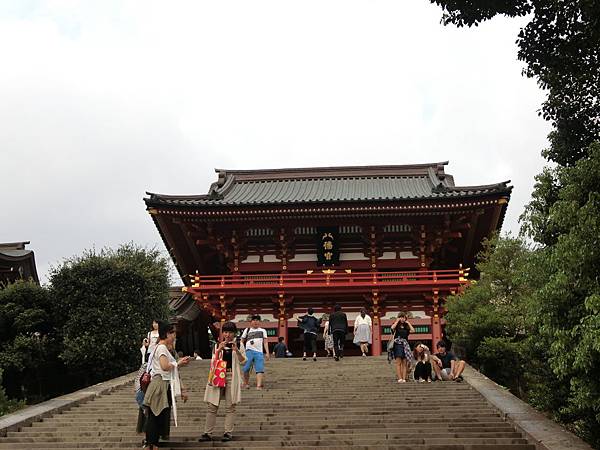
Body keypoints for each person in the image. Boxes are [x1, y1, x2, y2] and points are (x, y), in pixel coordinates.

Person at [142, 321, 190, 450]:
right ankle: (152, 443)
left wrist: (182, 388)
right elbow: (164, 366)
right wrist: (178, 363)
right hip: (160, 384)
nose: (174, 336)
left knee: (158, 414)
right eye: (173, 333)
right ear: (167, 334)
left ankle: (152, 443)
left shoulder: (161, 347)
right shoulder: (162, 348)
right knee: (156, 414)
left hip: (162, 384)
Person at [198, 321, 247, 443]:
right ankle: (207, 433)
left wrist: (237, 351)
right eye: (225, 332)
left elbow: (244, 361)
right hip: (218, 375)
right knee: (212, 405)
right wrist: (218, 350)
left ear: (234, 333)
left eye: (230, 332)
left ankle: (228, 432)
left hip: (231, 376)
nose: (227, 335)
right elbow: (213, 362)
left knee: (230, 406)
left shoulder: (239, 344)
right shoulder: (217, 345)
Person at [241, 314, 270, 390]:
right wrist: (241, 351)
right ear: (251, 322)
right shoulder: (247, 330)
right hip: (248, 351)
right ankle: (246, 383)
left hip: (259, 352)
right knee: (246, 368)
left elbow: (265, 342)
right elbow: (242, 341)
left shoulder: (263, 330)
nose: (255, 322)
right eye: (254, 320)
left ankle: (259, 385)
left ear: (259, 322)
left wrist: (267, 352)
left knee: (259, 369)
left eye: (257, 320)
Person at [390, 312, 415, 383]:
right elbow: (392, 328)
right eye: (401, 317)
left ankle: (404, 378)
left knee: (404, 362)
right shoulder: (396, 325)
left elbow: (413, 330)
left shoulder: (406, 326)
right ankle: (399, 378)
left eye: (403, 317)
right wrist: (397, 321)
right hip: (397, 344)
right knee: (398, 362)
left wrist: (408, 323)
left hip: (405, 345)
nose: (402, 319)